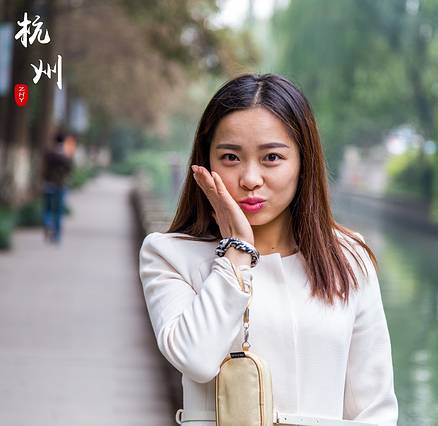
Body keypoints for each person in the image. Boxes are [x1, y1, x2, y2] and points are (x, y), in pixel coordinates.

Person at [138, 74, 398, 426]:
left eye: (272, 157)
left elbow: (374, 410)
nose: (250, 178)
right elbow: (196, 358)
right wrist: (236, 252)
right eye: (230, 157)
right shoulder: (170, 256)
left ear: (303, 162)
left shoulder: (349, 258)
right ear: (206, 163)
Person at [42, 130, 74, 244]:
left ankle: (47, 223)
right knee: (58, 211)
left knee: (47, 208)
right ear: (64, 141)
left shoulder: (48, 154)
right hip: (61, 186)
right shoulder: (66, 155)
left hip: (48, 184)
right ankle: (56, 236)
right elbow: (70, 171)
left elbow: (43, 169)